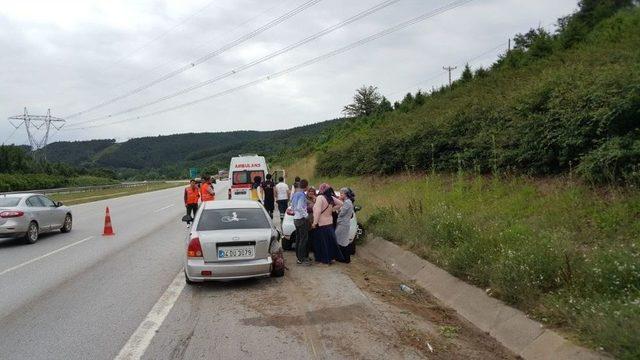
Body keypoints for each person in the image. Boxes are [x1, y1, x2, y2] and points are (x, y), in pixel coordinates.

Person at [312, 183, 344, 264]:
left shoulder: (320, 197)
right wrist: (333, 209)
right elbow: (341, 204)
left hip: (321, 223)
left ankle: (324, 259)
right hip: (329, 222)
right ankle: (331, 258)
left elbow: (318, 211)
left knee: (322, 243)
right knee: (330, 242)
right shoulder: (331, 198)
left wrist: (314, 223)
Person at [291, 179, 312, 265]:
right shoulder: (302, 195)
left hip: (296, 218)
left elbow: (292, 205)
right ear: (306, 186)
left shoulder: (296, 194)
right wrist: (306, 215)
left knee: (298, 238)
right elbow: (299, 207)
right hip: (301, 219)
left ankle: (299, 257)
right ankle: (301, 258)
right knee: (303, 239)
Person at [336, 188, 356, 263]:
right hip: (344, 223)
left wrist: (338, 211)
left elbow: (342, 213)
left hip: (343, 224)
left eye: (342, 194)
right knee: (342, 240)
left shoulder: (347, 202)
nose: (340, 195)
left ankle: (345, 258)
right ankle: (344, 258)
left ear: (345, 194)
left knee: (342, 241)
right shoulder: (347, 202)